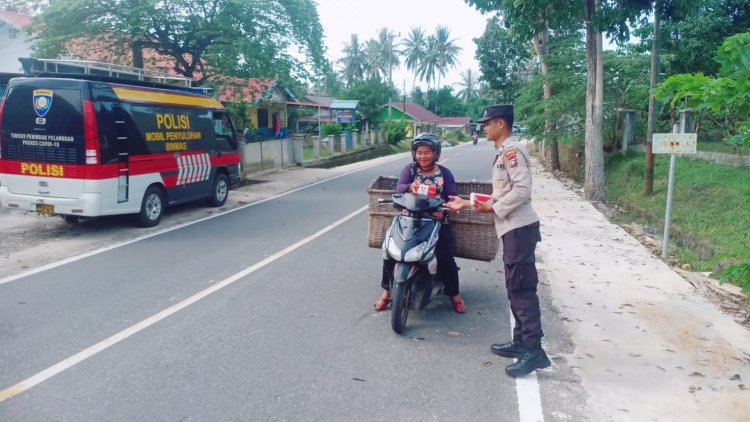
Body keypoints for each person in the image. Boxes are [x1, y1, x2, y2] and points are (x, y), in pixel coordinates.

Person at [445, 104, 550, 377]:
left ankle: (534, 351)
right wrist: (466, 203)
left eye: (488, 123)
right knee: (514, 286)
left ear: (501, 123)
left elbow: (522, 190)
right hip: (513, 229)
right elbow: (500, 195)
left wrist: (492, 208)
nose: (484, 128)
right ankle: (520, 342)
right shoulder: (503, 152)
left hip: (519, 228)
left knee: (522, 288)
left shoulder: (512, 152)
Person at [374, 133, 467, 314]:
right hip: (408, 219)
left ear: (436, 154)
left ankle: (454, 296)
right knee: (390, 253)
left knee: (446, 257)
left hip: (436, 221)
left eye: (427, 152)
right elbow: (398, 188)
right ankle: (386, 293)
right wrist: (409, 187)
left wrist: (449, 205)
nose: (423, 156)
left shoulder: (444, 173)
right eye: (419, 152)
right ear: (414, 154)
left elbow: (452, 195)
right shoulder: (409, 170)